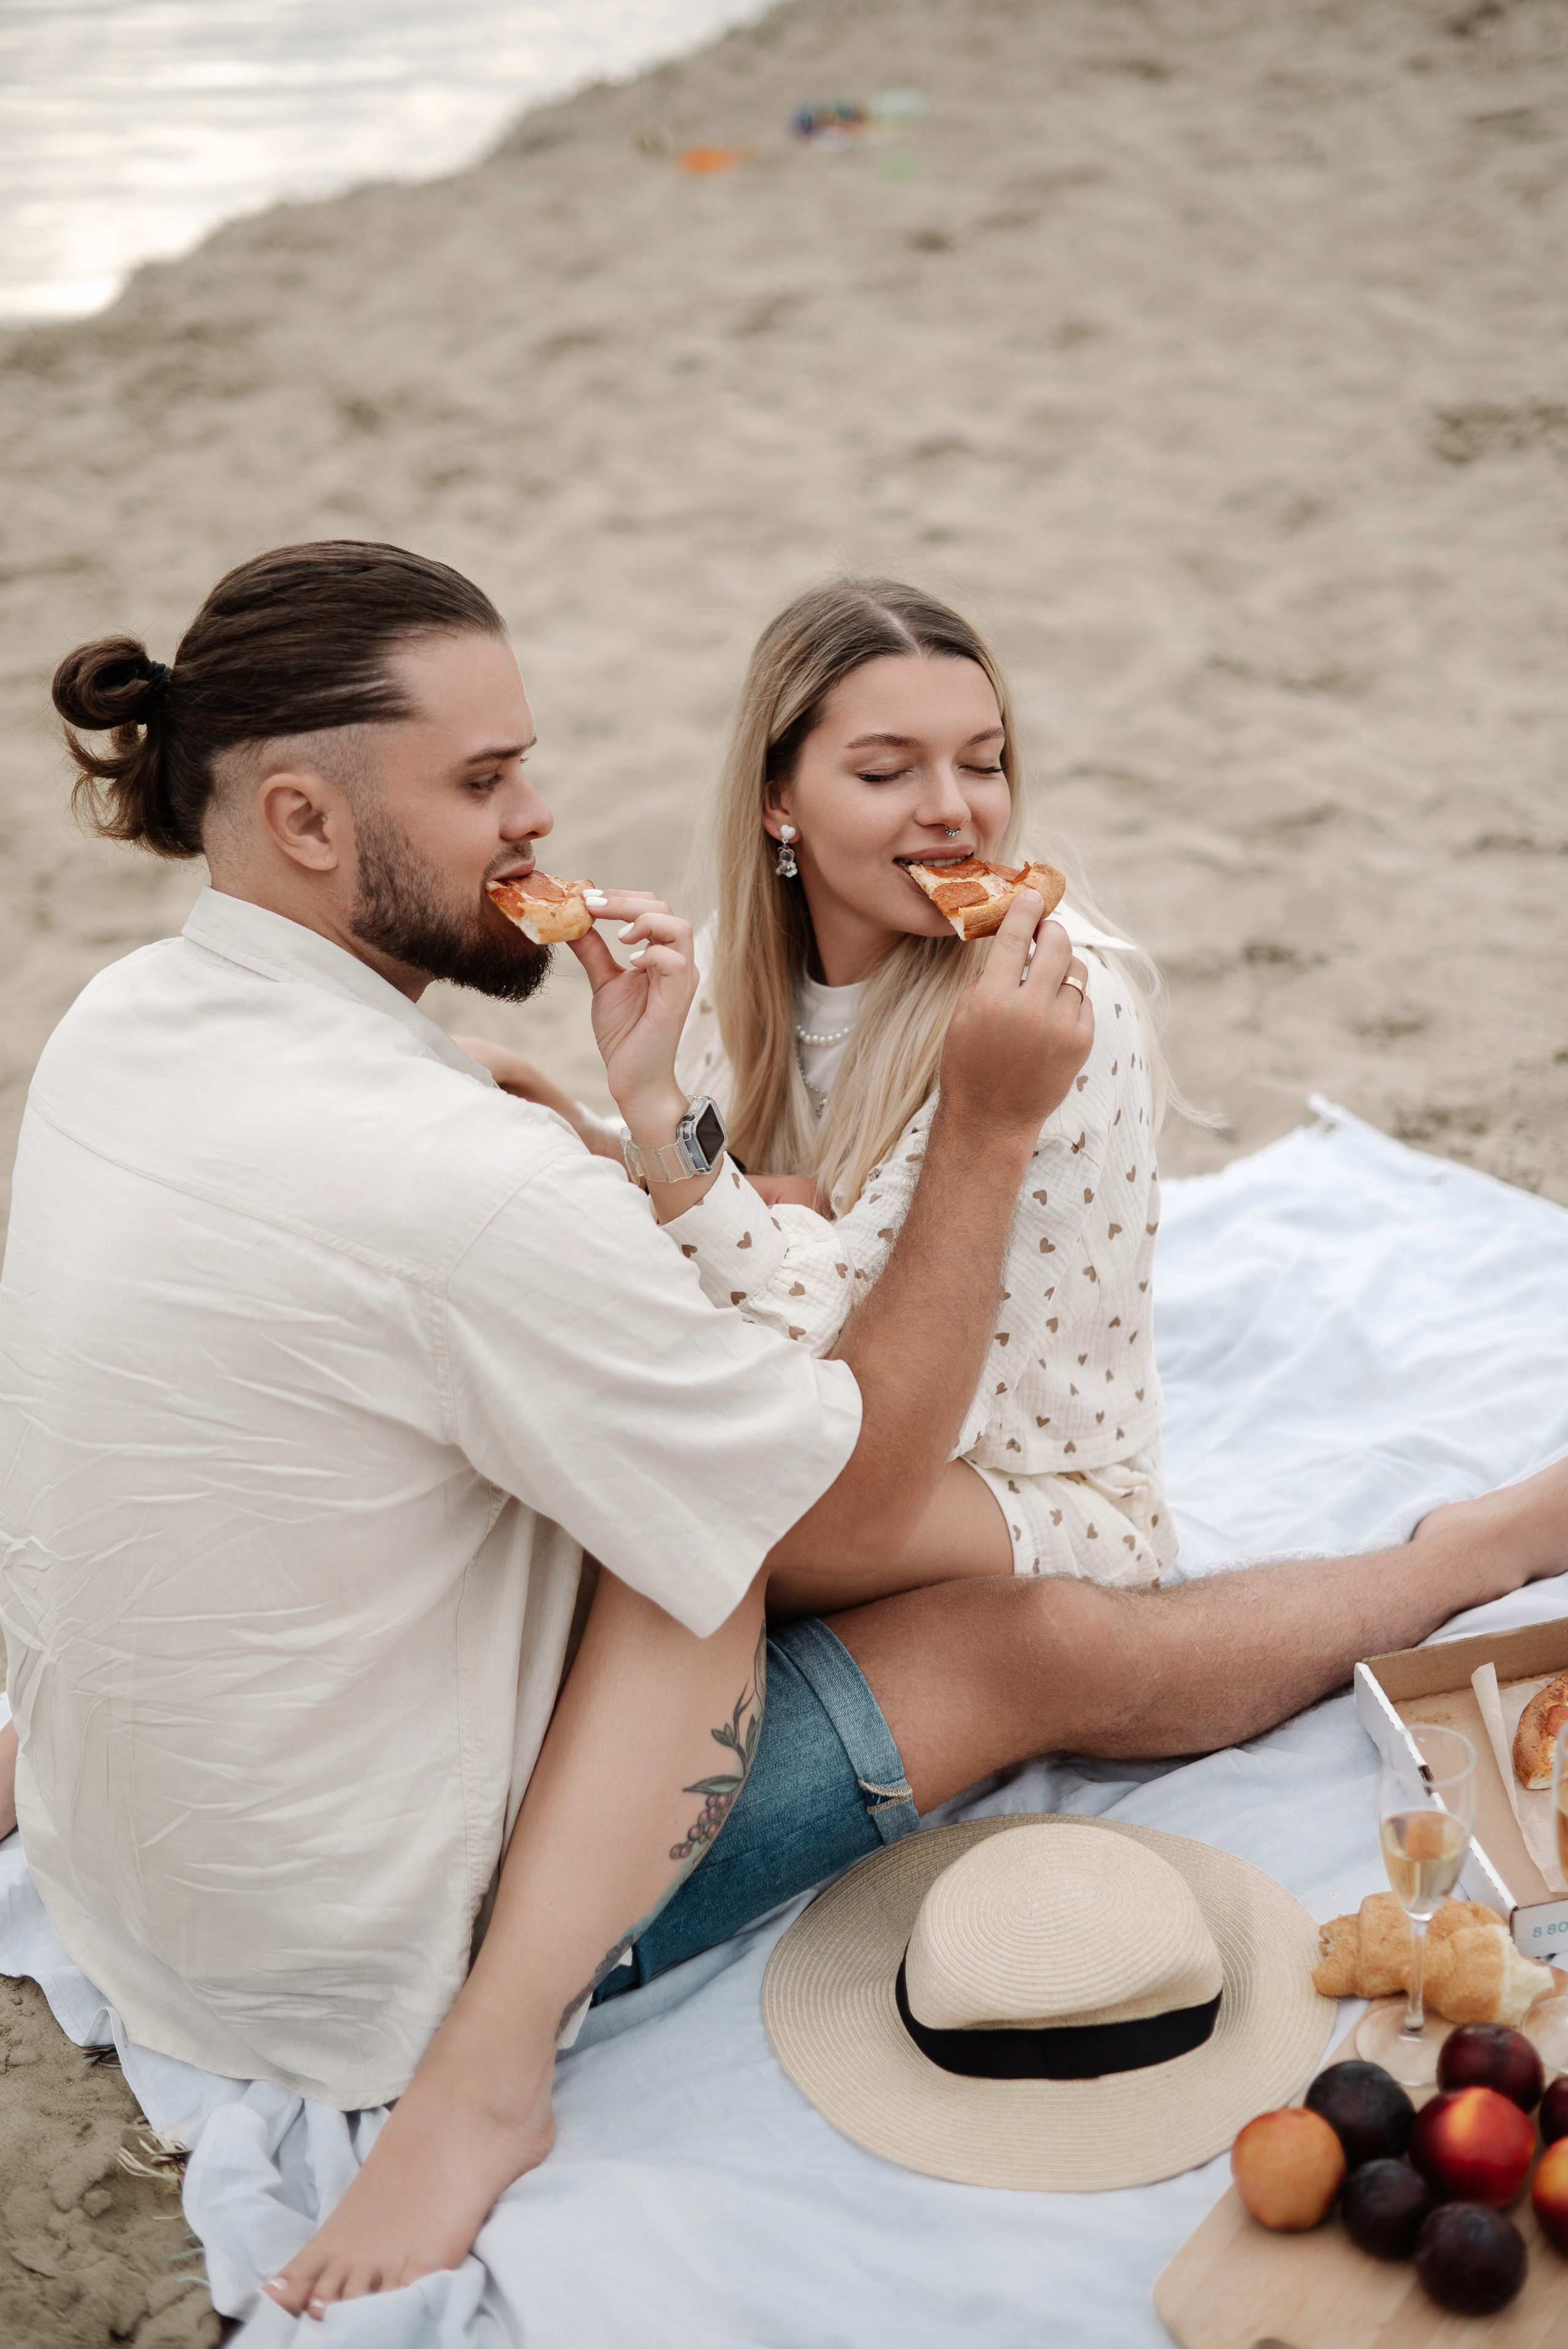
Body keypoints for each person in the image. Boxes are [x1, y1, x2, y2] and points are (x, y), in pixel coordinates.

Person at [0, 540, 1563, 2323]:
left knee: (703, 1490)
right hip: (369, 1942)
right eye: (485, 780)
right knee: (888, 1595)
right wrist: (662, 1146)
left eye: (528, 765)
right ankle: (493, 2071)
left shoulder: (123, 1024)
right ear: (299, 815)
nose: (540, 813)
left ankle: (1468, 1553)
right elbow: (791, 1460)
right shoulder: (477, 1168)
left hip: (146, 1842)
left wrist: (633, 1156)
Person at [472, 577, 1174, 1603]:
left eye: (984, 762)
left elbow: (846, 1361)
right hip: (844, 1443)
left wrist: (666, 1133)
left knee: (665, 1519)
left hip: (1031, 1491)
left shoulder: (1049, 1009)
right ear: (778, 800)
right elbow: (733, 1230)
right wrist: (586, 1115)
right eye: (889, 770)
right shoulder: (731, 972)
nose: (954, 808)